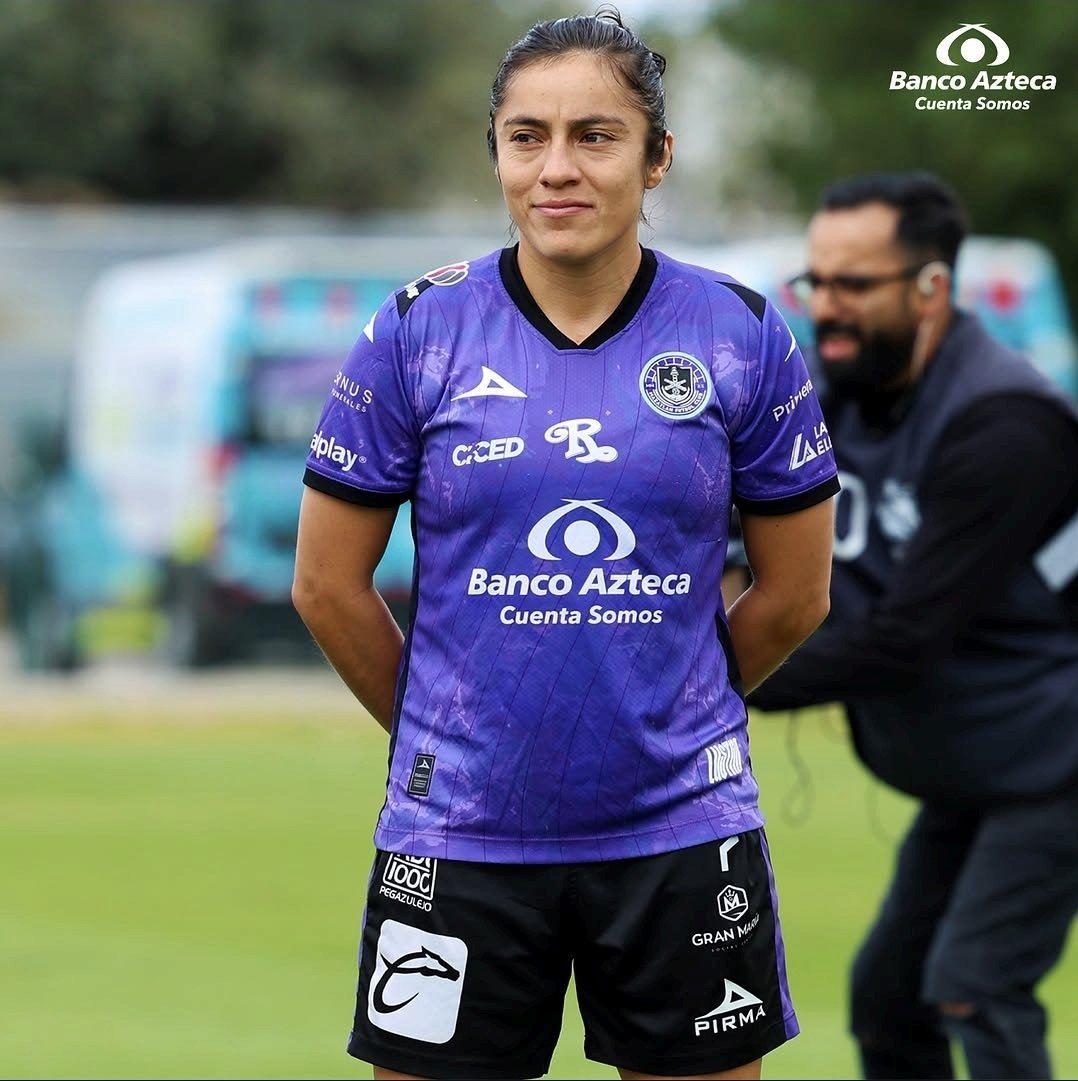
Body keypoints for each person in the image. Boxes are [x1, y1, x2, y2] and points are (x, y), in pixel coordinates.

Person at [292, 8, 839, 1079]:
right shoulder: (417, 331)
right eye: (526, 137)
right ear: (495, 151)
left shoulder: (739, 333)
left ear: (656, 156)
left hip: (680, 834)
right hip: (458, 838)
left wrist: (672, 713)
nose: (557, 169)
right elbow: (325, 585)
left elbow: (795, 594)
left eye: (595, 136)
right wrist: (445, 736)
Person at [746, 170, 1078, 1080]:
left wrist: (715, 679)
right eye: (817, 282)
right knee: (890, 999)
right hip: (987, 765)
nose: (827, 307)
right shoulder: (831, 393)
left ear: (931, 287)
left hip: (1058, 756)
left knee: (977, 985)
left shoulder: (1006, 425)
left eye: (855, 284)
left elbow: (905, 640)